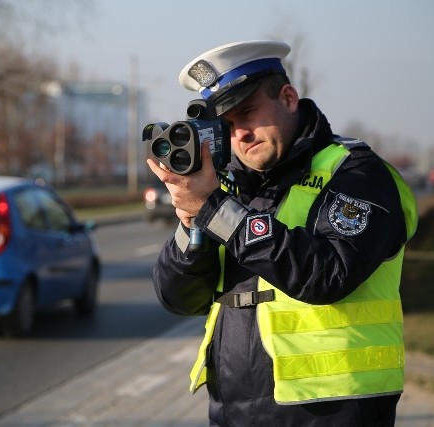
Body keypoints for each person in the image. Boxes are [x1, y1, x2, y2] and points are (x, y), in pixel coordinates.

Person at [146, 40, 418, 426]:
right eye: (227, 125)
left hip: (331, 412)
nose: (240, 133)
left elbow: (326, 275)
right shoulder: (229, 189)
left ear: (289, 98)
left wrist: (213, 209)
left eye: (248, 112)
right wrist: (193, 224)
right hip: (234, 413)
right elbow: (178, 299)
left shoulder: (357, 174)